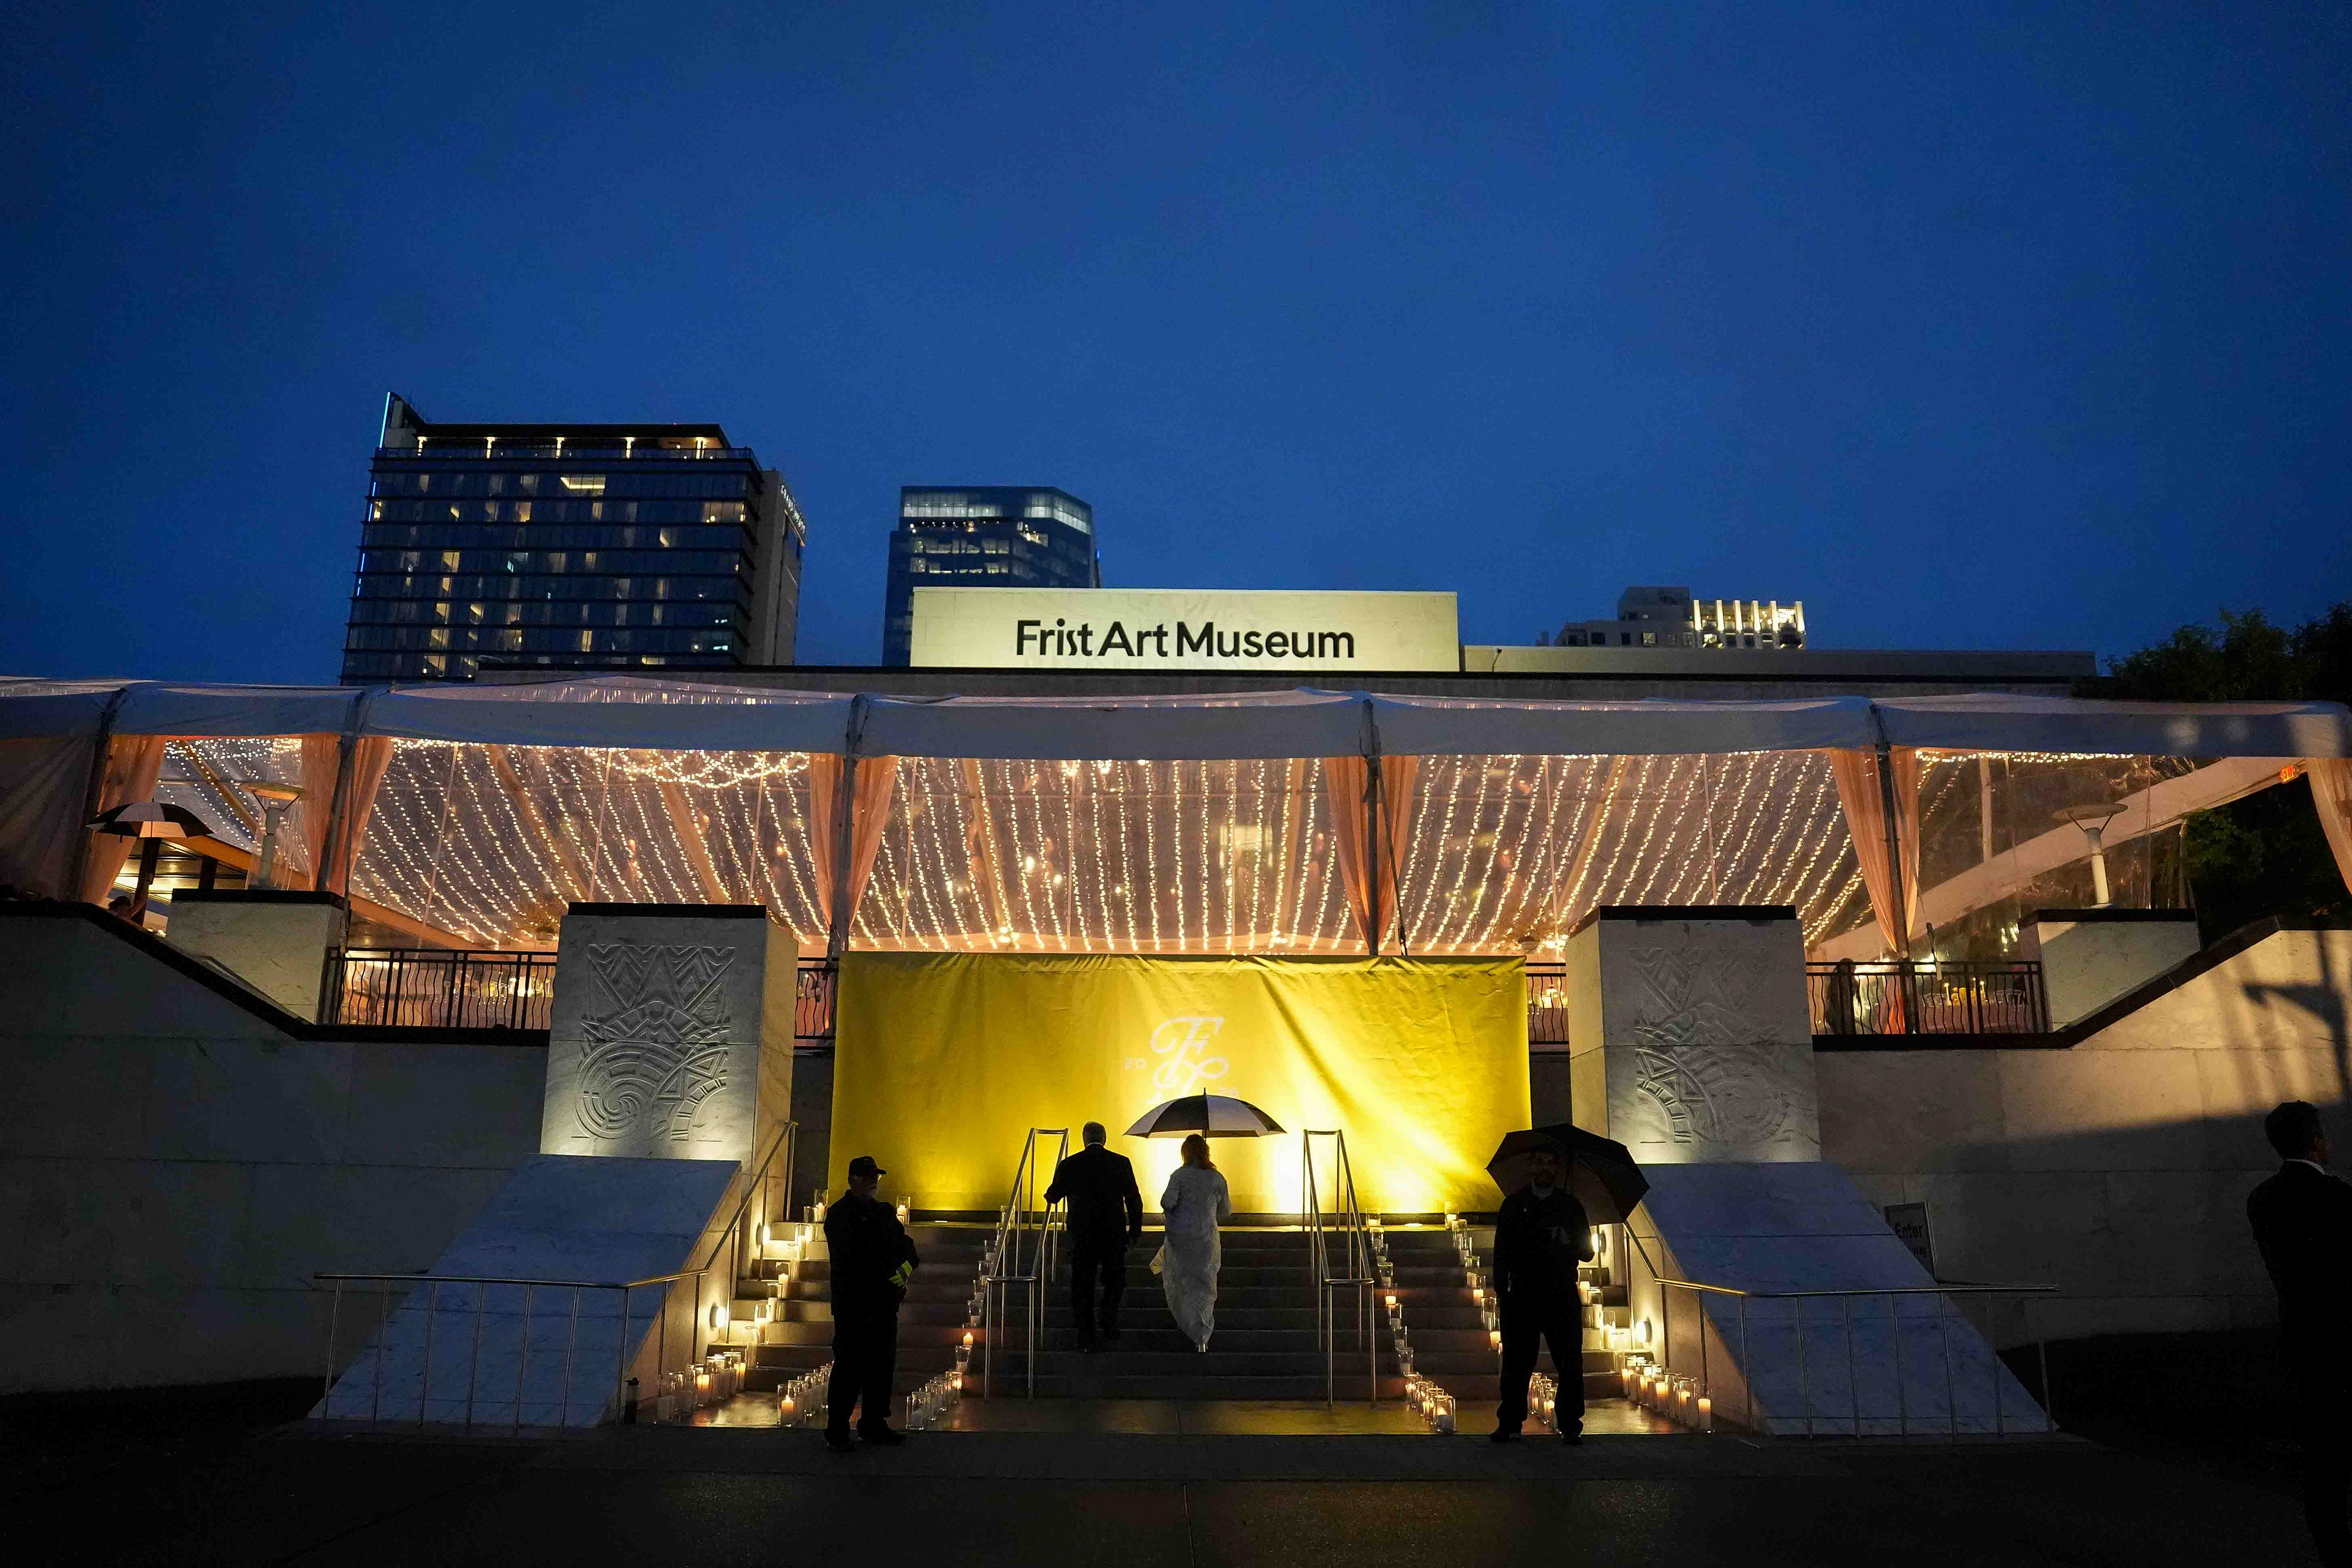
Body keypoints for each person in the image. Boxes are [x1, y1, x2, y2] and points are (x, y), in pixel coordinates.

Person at [2247, 1100, 2352, 1566]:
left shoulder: (2262, 1199)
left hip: (2302, 1338)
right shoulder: (2337, 1197)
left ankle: (2333, 1551)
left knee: (2322, 1458)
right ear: (2315, 1141)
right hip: (2344, 1336)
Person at [1491, 1139, 1591, 1445]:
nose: (1544, 1168)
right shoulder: (1514, 1205)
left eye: (1550, 1163)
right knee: (1517, 1363)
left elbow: (1587, 1252)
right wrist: (1502, 1291)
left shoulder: (1571, 1207)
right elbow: (1501, 1251)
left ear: (1557, 1169)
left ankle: (1571, 1424)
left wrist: (1568, 1239)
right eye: (1539, 1162)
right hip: (1522, 1295)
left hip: (1561, 1294)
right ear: (1531, 1166)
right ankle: (1510, 1422)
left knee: (1570, 1362)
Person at [821, 1153, 918, 1453]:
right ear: (852, 1180)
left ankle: (874, 1422)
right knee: (849, 1365)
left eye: (875, 1177)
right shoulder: (840, 1215)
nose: (874, 1182)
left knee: (881, 1365)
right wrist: (891, 1271)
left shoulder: (883, 1212)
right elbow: (853, 1257)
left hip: (883, 1304)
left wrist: (903, 1272)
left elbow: (907, 1248)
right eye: (868, 1177)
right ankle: (838, 1428)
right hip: (854, 1304)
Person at [1044, 1121, 1145, 1349]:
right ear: (1105, 1139)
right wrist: (1135, 1231)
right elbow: (1133, 1199)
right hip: (1113, 1234)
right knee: (1115, 1281)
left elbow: (1054, 1196)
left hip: (1082, 1235)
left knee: (1082, 1285)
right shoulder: (1121, 1162)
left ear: (1084, 1140)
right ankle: (1109, 1322)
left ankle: (1086, 1335)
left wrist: (1053, 1194)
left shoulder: (1070, 1164)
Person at [1159, 1133, 1232, 1351]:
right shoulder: (1217, 1178)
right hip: (1207, 1239)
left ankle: (1186, 1325)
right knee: (1205, 1284)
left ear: (1185, 1153)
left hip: (1181, 1239)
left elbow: (1167, 1202)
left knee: (1183, 1283)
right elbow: (1226, 1211)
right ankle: (1202, 1335)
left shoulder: (1179, 1176)